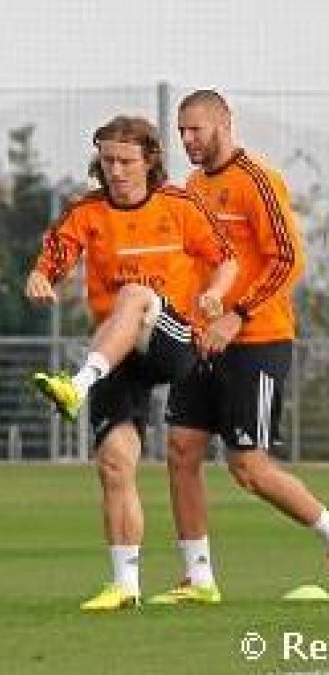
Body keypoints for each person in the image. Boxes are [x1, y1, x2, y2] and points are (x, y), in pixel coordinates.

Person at [25, 115, 235, 611]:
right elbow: (52, 258)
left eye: (125, 160)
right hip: (116, 352)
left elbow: (226, 258)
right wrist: (39, 279)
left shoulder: (180, 206)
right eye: (107, 159)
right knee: (115, 463)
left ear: (149, 161)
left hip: (172, 339)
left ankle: (76, 384)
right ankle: (124, 584)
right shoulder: (87, 213)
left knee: (137, 294)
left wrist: (216, 295)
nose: (115, 170)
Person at [149, 89, 329, 605]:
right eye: (181, 131)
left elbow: (288, 261)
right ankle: (199, 578)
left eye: (196, 129)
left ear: (224, 124)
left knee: (247, 465)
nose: (186, 140)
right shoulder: (190, 188)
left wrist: (238, 314)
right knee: (181, 449)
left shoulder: (258, 181)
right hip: (202, 339)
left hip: (258, 339)